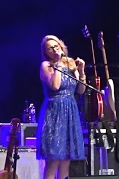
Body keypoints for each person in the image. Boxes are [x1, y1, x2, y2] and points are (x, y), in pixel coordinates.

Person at [36, 35, 86, 179]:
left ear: (61, 45)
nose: (54, 48)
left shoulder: (71, 64)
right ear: (46, 52)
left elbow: (81, 90)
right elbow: (55, 85)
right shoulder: (46, 66)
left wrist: (81, 71)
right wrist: (57, 64)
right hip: (54, 112)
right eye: (50, 48)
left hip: (70, 111)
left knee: (66, 161)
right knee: (53, 162)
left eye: (56, 45)